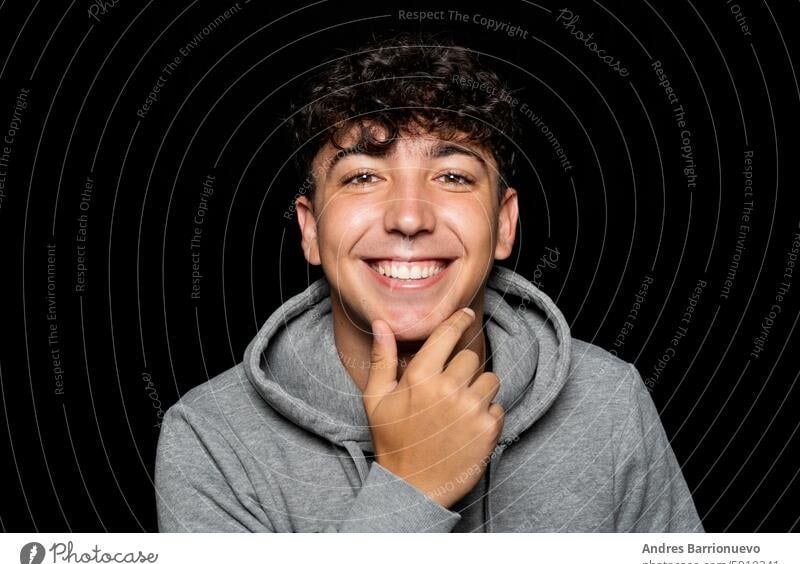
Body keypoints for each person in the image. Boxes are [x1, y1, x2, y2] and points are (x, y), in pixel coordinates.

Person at [154, 32, 704, 532]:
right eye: (364, 176)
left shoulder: (608, 400)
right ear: (312, 230)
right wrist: (413, 487)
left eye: (453, 176)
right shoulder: (211, 438)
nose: (410, 217)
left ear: (504, 224)